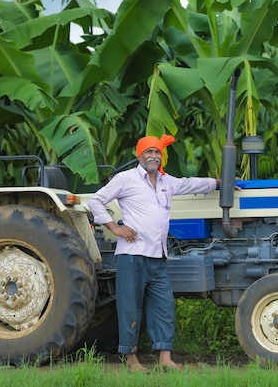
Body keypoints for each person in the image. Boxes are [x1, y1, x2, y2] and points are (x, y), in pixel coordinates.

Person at [87, 134, 220, 371]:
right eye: (149, 152)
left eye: (157, 152)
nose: (153, 156)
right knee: (130, 307)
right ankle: (132, 360)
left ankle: (165, 359)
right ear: (140, 155)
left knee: (164, 306)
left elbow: (192, 184)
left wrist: (220, 183)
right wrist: (114, 227)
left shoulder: (167, 182)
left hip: (158, 257)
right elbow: (96, 201)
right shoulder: (125, 179)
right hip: (132, 256)